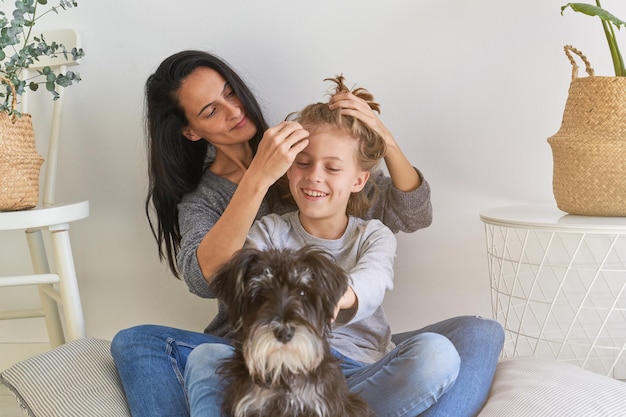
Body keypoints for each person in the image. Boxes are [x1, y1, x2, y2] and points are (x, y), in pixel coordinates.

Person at [110, 50, 504, 417]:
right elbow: (207, 278)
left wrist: (382, 137)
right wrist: (260, 178)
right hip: (259, 351)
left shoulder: (310, 150)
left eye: (231, 92)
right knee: (137, 343)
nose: (234, 111)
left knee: (478, 334)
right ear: (191, 131)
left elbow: (414, 214)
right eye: (212, 110)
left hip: (351, 353)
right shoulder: (211, 200)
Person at [183, 75, 461, 416]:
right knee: (202, 356)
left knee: (443, 351)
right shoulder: (268, 230)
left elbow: (375, 277)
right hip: (279, 366)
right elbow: (227, 274)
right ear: (286, 169)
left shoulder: (373, 234)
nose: (315, 175)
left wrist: (333, 296)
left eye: (332, 167)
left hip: (360, 367)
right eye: (303, 163)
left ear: (360, 180)